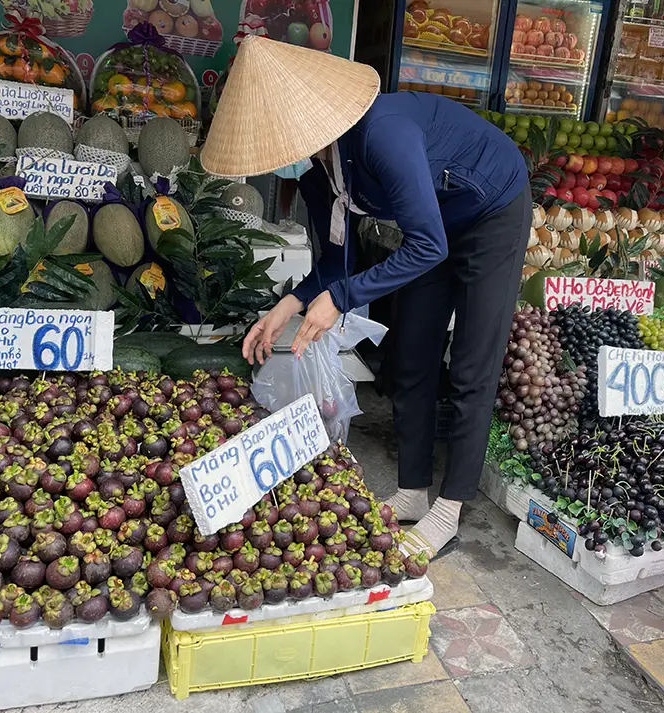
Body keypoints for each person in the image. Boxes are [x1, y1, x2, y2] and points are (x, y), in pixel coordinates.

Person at [201, 36, 530, 558]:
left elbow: (424, 245)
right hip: (434, 225)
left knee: (471, 366)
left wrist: (344, 297)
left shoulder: (383, 135)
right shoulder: (319, 176)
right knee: (410, 356)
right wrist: (291, 303)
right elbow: (338, 261)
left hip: (491, 209)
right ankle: (414, 491)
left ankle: (448, 510)